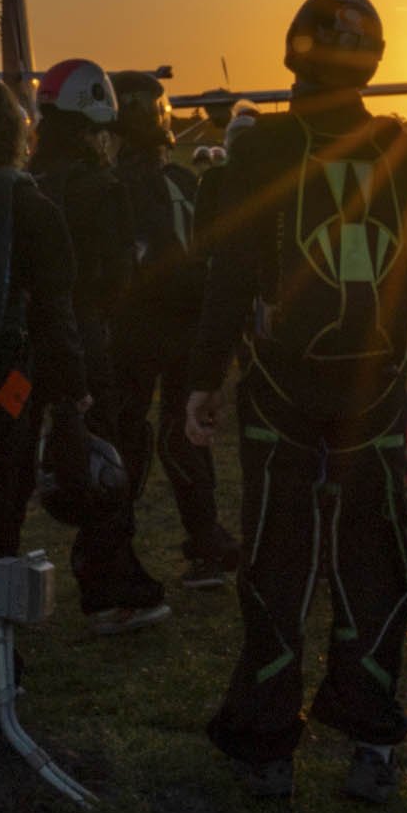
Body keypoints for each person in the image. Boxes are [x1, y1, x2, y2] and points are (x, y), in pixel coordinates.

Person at [186, 0, 407, 804]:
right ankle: (371, 738)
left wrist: (203, 375)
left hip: (279, 391)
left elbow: (229, 274)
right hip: (378, 395)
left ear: (294, 50)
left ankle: (267, 744)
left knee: (277, 559)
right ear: (374, 56)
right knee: (376, 557)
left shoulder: (261, 148)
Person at [30, 58, 170, 633]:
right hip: (87, 335)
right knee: (106, 458)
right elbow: (117, 279)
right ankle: (111, 587)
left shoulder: (30, 181)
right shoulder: (101, 187)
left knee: (18, 466)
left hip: (27, 336)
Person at [109, 70, 239, 588]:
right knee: (185, 436)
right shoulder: (185, 181)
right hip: (189, 328)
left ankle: (117, 543)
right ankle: (205, 539)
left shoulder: (116, 187)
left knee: (127, 436)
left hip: (134, 330)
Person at [0, 77, 91, 556]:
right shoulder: (31, 207)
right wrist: (72, 389)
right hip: (8, 377)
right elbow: (54, 309)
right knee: (6, 487)